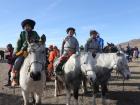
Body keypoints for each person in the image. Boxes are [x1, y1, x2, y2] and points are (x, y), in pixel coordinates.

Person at [11, 19, 40, 86]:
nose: (27, 27)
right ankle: (15, 78)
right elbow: (18, 43)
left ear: (31, 27)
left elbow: (39, 40)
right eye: (26, 26)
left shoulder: (35, 33)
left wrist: (38, 41)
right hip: (24, 52)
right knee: (18, 61)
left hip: (33, 51)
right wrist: (15, 52)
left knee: (42, 61)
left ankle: (44, 76)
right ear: (24, 27)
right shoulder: (22, 34)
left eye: (29, 26)